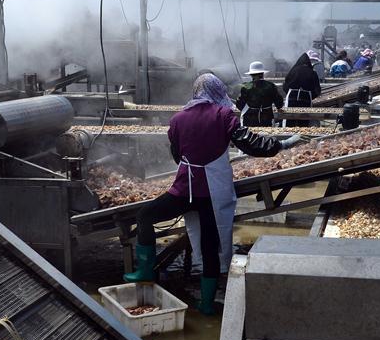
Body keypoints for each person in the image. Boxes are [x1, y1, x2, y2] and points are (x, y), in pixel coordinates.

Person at [123, 74, 302, 314]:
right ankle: (206, 304)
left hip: (185, 190)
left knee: (145, 216)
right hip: (213, 193)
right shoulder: (224, 115)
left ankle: (145, 270)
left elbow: (176, 155)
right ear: (218, 91)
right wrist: (283, 144)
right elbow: (250, 144)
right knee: (210, 248)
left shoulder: (178, 119)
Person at [235, 61, 283, 127]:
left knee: (251, 135)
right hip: (267, 117)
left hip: (250, 118)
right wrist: (278, 107)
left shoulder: (246, 86)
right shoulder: (271, 86)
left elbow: (239, 104)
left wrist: (249, 109)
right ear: (262, 73)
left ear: (251, 75)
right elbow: (279, 103)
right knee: (266, 135)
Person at [282, 52, 322, 127]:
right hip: (305, 99)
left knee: (289, 120)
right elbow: (317, 90)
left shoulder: (293, 71)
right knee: (304, 121)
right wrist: (309, 95)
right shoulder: (312, 73)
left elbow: (285, 86)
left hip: (291, 98)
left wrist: (291, 93)